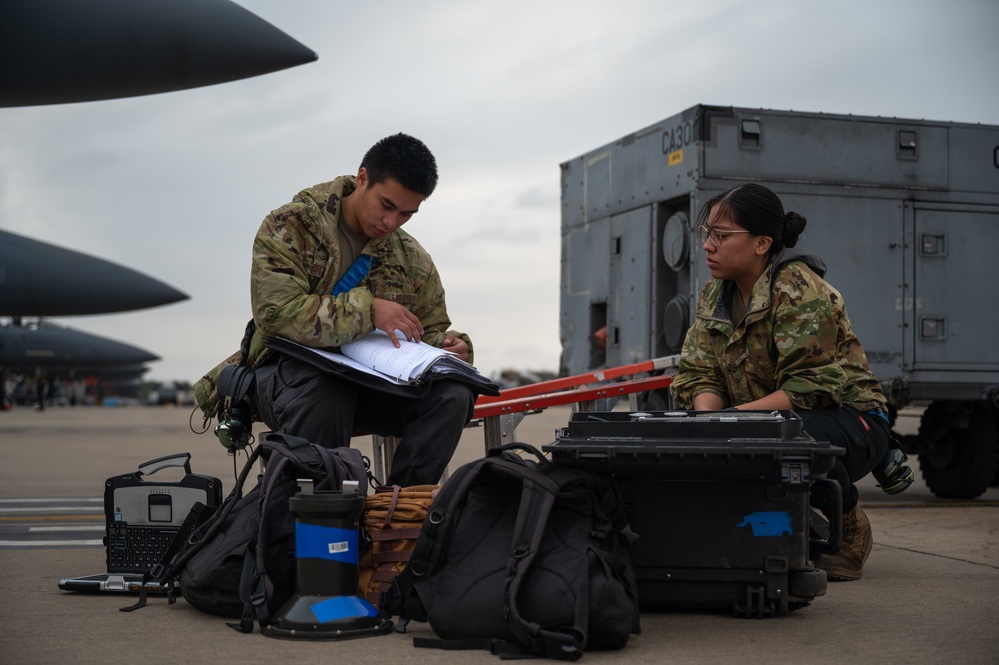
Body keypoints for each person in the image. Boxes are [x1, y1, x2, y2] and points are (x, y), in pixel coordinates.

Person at [194, 133, 477, 487]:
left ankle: (400, 509)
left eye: (406, 213)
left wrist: (450, 347)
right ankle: (325, 521)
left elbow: (426, 328)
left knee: (453, 393)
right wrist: (368, 311)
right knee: (328, 390)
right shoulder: (291, 226)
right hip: (288, 377)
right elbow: (276, 315)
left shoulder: (412, 258)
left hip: (373, 384)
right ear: (362, 179)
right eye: (386, 205)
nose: (392, 222)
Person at [668, 183, 911, 581]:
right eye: (706, 234)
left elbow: (809, 387)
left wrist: (732, 420)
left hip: (851, 419)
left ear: (762, 243)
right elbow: (700, 373)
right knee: (705, 434)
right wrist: (708, 425)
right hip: (766, 417)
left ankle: (850, 531)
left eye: (721, 236)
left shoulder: (798, 289)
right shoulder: (714, 295)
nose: (708, 246)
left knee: (787, 438)